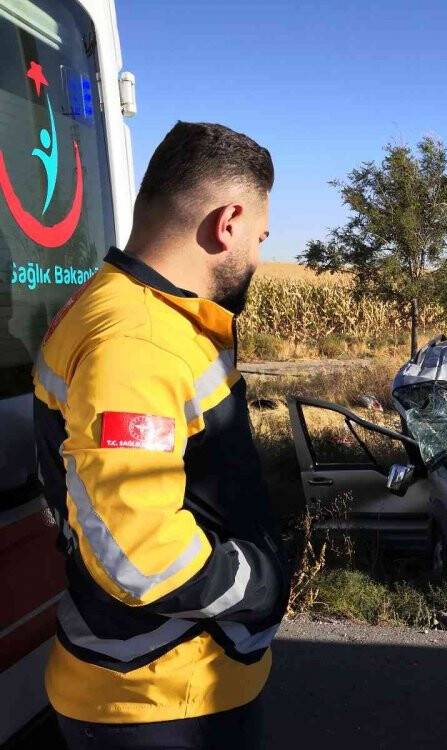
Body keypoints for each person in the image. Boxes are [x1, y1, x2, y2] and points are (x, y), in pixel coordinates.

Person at [33, 122, 289, 749]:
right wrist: (256, 583)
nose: (257, 255)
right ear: (226, 222)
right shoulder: (138, 341)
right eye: (258, 236)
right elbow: (139, 555)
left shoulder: (135, 312)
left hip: (167, 685)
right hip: (157, 697)